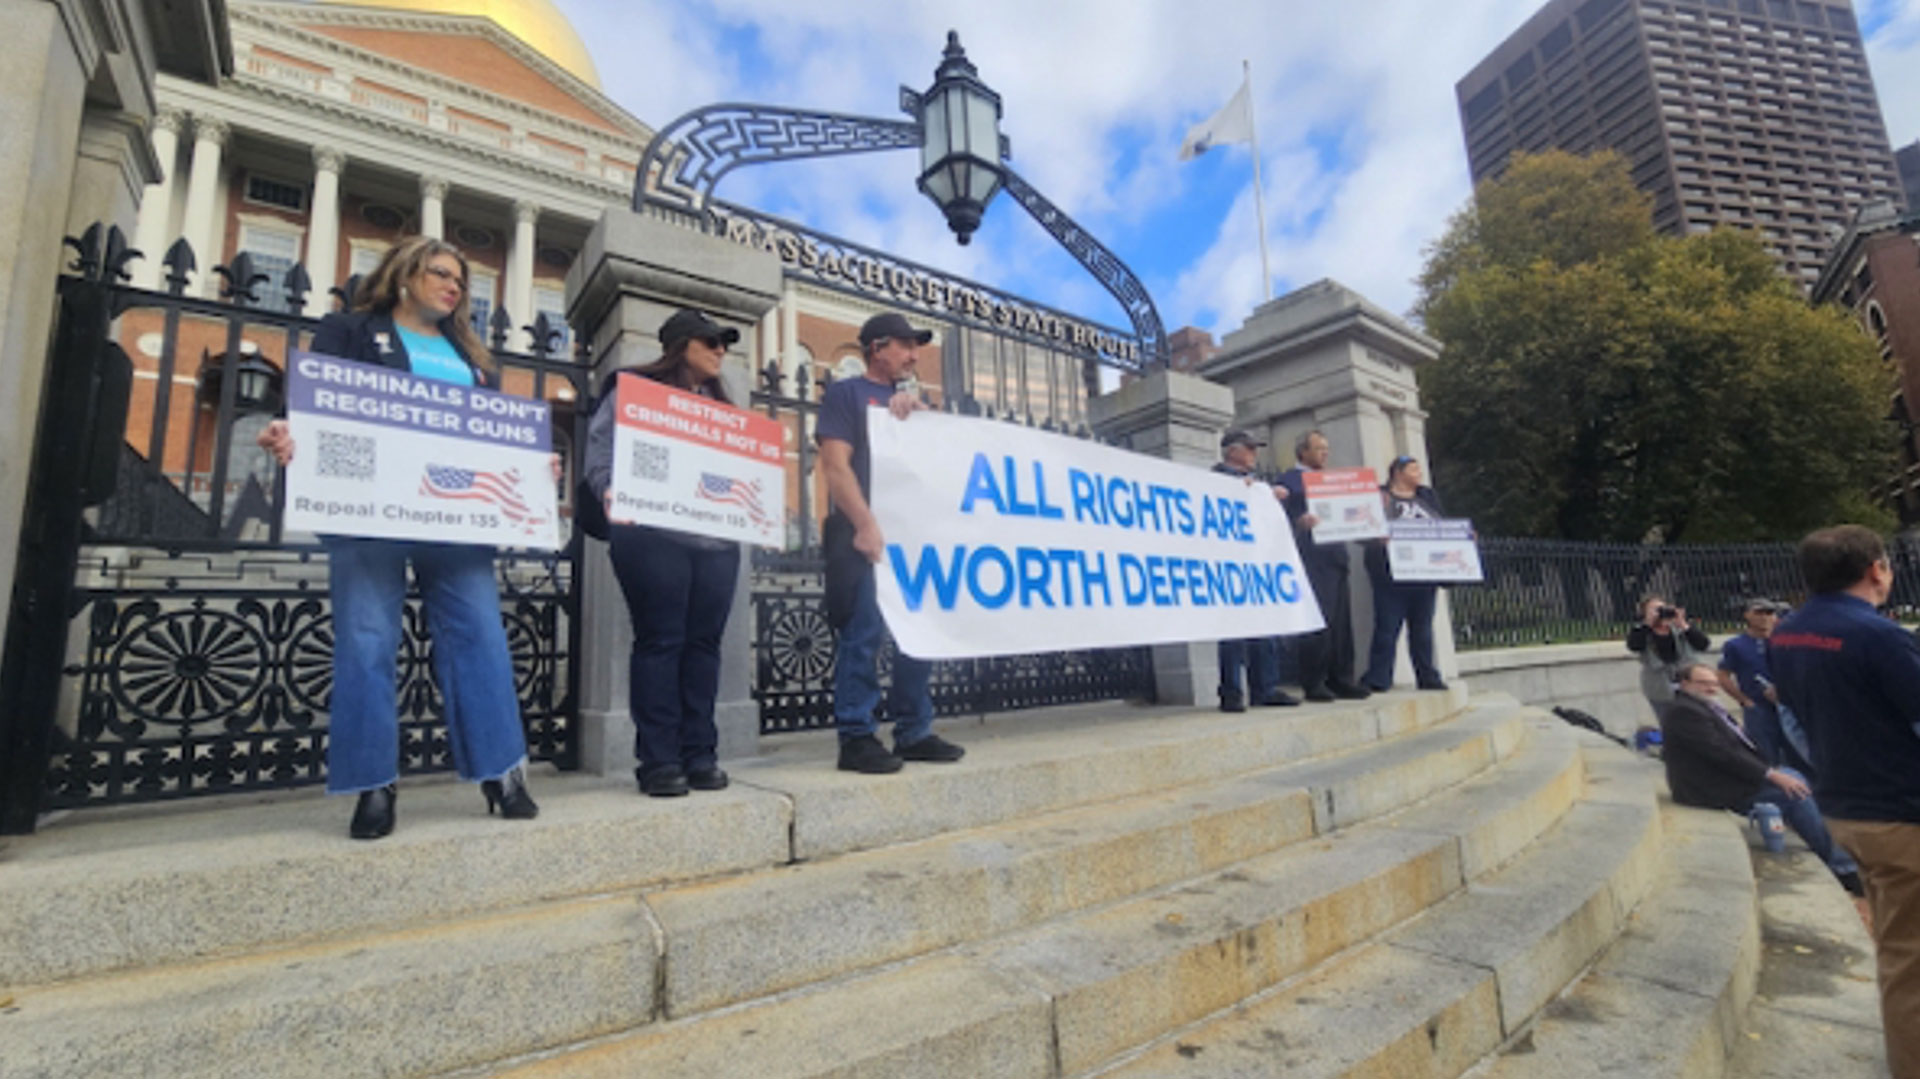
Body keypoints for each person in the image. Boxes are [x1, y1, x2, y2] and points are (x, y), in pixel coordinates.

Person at [257, 236, 539, 839]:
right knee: (366, 641)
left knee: (481, 637)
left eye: (460, 280)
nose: (453, 286)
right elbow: (311, 405)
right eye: (440, 273)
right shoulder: (351, 330)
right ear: (405, 276)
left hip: (455, 519)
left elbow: (494, 439)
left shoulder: (473, 357)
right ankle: (372, 785)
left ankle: (501, 771)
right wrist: (288, 432)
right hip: (370, 514)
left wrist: (532, 472)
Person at [1769, 525, 1920, 1078]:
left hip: (1847, 809)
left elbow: (1794, 722)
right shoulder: (1881, 637)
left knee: (1900, 947)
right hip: (1904, 815)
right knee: (1911, 962)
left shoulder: (1786, 634)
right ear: (1876, 570)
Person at [584, 308, 743, 797]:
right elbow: (601, 449)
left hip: (715, 541)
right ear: (681, 345)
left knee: (703, 647)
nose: (720, 351)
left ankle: (700, 754)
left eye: (724, 344)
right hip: (652, 534)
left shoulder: (723, 409)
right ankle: (658, 760)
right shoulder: (631, 388)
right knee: (661, 642)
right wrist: (609, 488)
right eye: (711, 341)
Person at [817, 312, 966, 774]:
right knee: (863, 634)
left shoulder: (913, 403)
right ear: (877, 348)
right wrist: (864, 523)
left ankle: (914, 730)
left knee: (916, 636)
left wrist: (921, 418)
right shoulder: (846, 395)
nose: (914, 355)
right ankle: (857, 736)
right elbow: (836, 466)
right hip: (866, 536)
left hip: (912, 539)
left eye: (916, 346)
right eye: (904, 346)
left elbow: (938, 465)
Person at [1658, 662, 1860, 894]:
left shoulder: (1703, 706)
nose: (1711, 688)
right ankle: (1842, 868)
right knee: (1794, 794)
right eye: (1703, 683)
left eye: (1714, 683)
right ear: (1684, 684)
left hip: (1727, 777)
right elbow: (1722, 754)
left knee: (1795, 778)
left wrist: (1773, 772)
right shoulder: (1684, 712)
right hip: (1709, 787)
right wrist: (1771, 774)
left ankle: (1833, 849)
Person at [1274, 431, 1371, 702]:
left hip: (1336, 556)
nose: (1325, 453)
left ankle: (1342, 678)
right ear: (1302, 452)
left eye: (1327, 449)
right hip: (1312, 556)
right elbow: (1279, 514)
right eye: (1319, 449)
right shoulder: (1290, 480)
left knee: (1341, 623)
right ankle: (1314, 682)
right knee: (1319, 621)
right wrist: (1298, 520)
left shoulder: (1333, 481)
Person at [1212, 430, 1298, 711]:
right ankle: (1231, 691)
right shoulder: (1214, 478)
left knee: (1265, 628)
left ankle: (1265, 687)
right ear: (1231, 451)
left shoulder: (1258, 485)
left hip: (1259, 563)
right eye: (1249, 449)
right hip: (1231, 565)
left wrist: (1270, 497)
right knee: (1233, 630)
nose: (1254, 455)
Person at [1362, 454, 1448, 692]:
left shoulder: (1427, 497)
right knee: (1387, 628)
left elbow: (1444, 525)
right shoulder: (1380, 496)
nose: (1418, 474)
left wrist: (1462, 538)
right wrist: (1376, 537)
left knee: (1422, 629)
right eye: (1413, 469)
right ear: (1398, 473)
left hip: (1424, 574)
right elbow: (1360, 526)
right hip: (1390, 575)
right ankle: (1378, 678)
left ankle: (1427, 675)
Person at [1716, 598, 1813, 775]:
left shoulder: (1785, 641)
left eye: (1769, 613)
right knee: (1766, 757)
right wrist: (1744, 700)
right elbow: (1723, 675)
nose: (1765, 618)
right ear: (1747, 615)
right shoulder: (1736, 645)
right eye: (1758, 613)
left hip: (1788, 705)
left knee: (1800, 754)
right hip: (1759, 707)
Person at [1625, 593, 1710, 713]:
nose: (1660, 613)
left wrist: (1683, 624)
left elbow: (1703, 644)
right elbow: (1634, 646)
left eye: (1662, 608)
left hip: (1686, 680)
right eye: (1655, 610)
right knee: (1669, 721)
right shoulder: (1641, 631)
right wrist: (1649, 624)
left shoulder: (1678, 629)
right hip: (1659, 686)